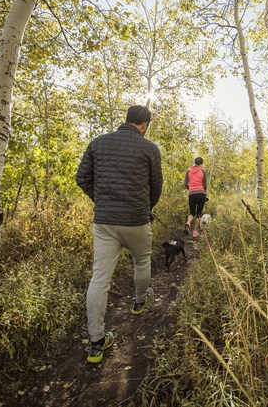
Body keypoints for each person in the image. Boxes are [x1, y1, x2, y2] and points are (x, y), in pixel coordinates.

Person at [76, 105, 163, 364]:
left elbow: (82, 178)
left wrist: (100, 199)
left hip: (104, 222)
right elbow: (156, 186)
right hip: (136, 219)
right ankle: (138, 302)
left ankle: (96, 342)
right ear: (145, 124)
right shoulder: (149, 148)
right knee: (142, 261)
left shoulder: (97, 143)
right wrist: (145, 206)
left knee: (100, 278)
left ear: (126, 120)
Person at [184, 156, 207, 238]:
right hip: (201, 193)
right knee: (198, 213)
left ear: (194, 162)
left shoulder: (188, 171)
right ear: (201, 163)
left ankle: (188, 223)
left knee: (191, 212)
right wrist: (205, 193)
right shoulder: (203, 171)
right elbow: (204, 185)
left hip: (192, 193)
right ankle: (194, 231)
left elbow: (185, 183)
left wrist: (190, 189)